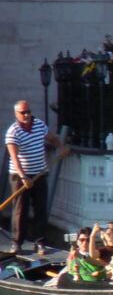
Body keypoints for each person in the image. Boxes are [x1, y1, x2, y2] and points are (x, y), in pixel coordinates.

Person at [5, 100, 69, 254]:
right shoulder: (12, 132)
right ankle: (17, 242)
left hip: (39, 173)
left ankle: (40, 241)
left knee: (40, 207)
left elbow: (52, 138)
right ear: (16, 114)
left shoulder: (39, 125)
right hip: (19, 176)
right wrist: (23, 177)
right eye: (23, 113)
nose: (27, 115)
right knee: (21, 209)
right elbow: (14, 157)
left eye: (28, 111)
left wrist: (61, 147)